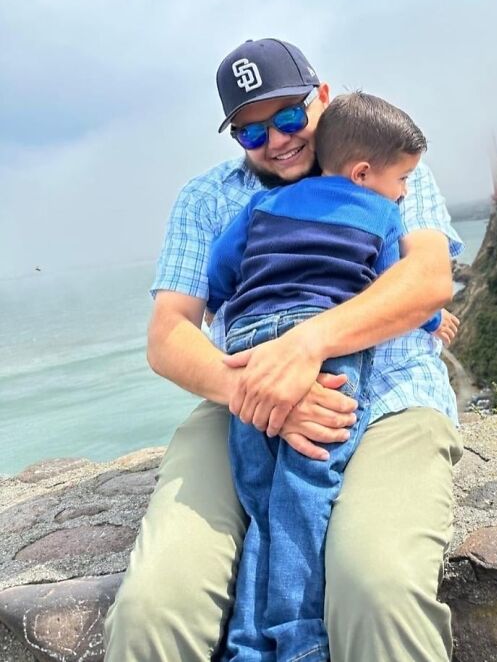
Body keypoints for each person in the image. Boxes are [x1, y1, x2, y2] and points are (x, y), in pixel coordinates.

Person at [103, 33, 463, 662]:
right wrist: (265, 393)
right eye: (251, 132)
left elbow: (428, 279)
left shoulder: (385, 164)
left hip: (391, 396)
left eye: (289, 116)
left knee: (378, 587)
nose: (277, 140)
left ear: (321, 96)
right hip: (239, 402)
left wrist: (306, 345)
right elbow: (169, 335)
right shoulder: (208, 199)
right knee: (154, 608)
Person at [209, 88, 435, 662]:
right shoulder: (382, 212)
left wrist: (234, 311)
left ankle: (246, 648)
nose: (405, 190)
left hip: (251, 352)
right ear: (363, 173)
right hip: (322, 347)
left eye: (289, 119)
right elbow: (400, 290)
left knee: (261, 502)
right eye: (402, 179)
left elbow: (219, 278)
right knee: (306, 496)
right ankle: (301, 639)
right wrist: (435, 320)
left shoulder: (260, 207)